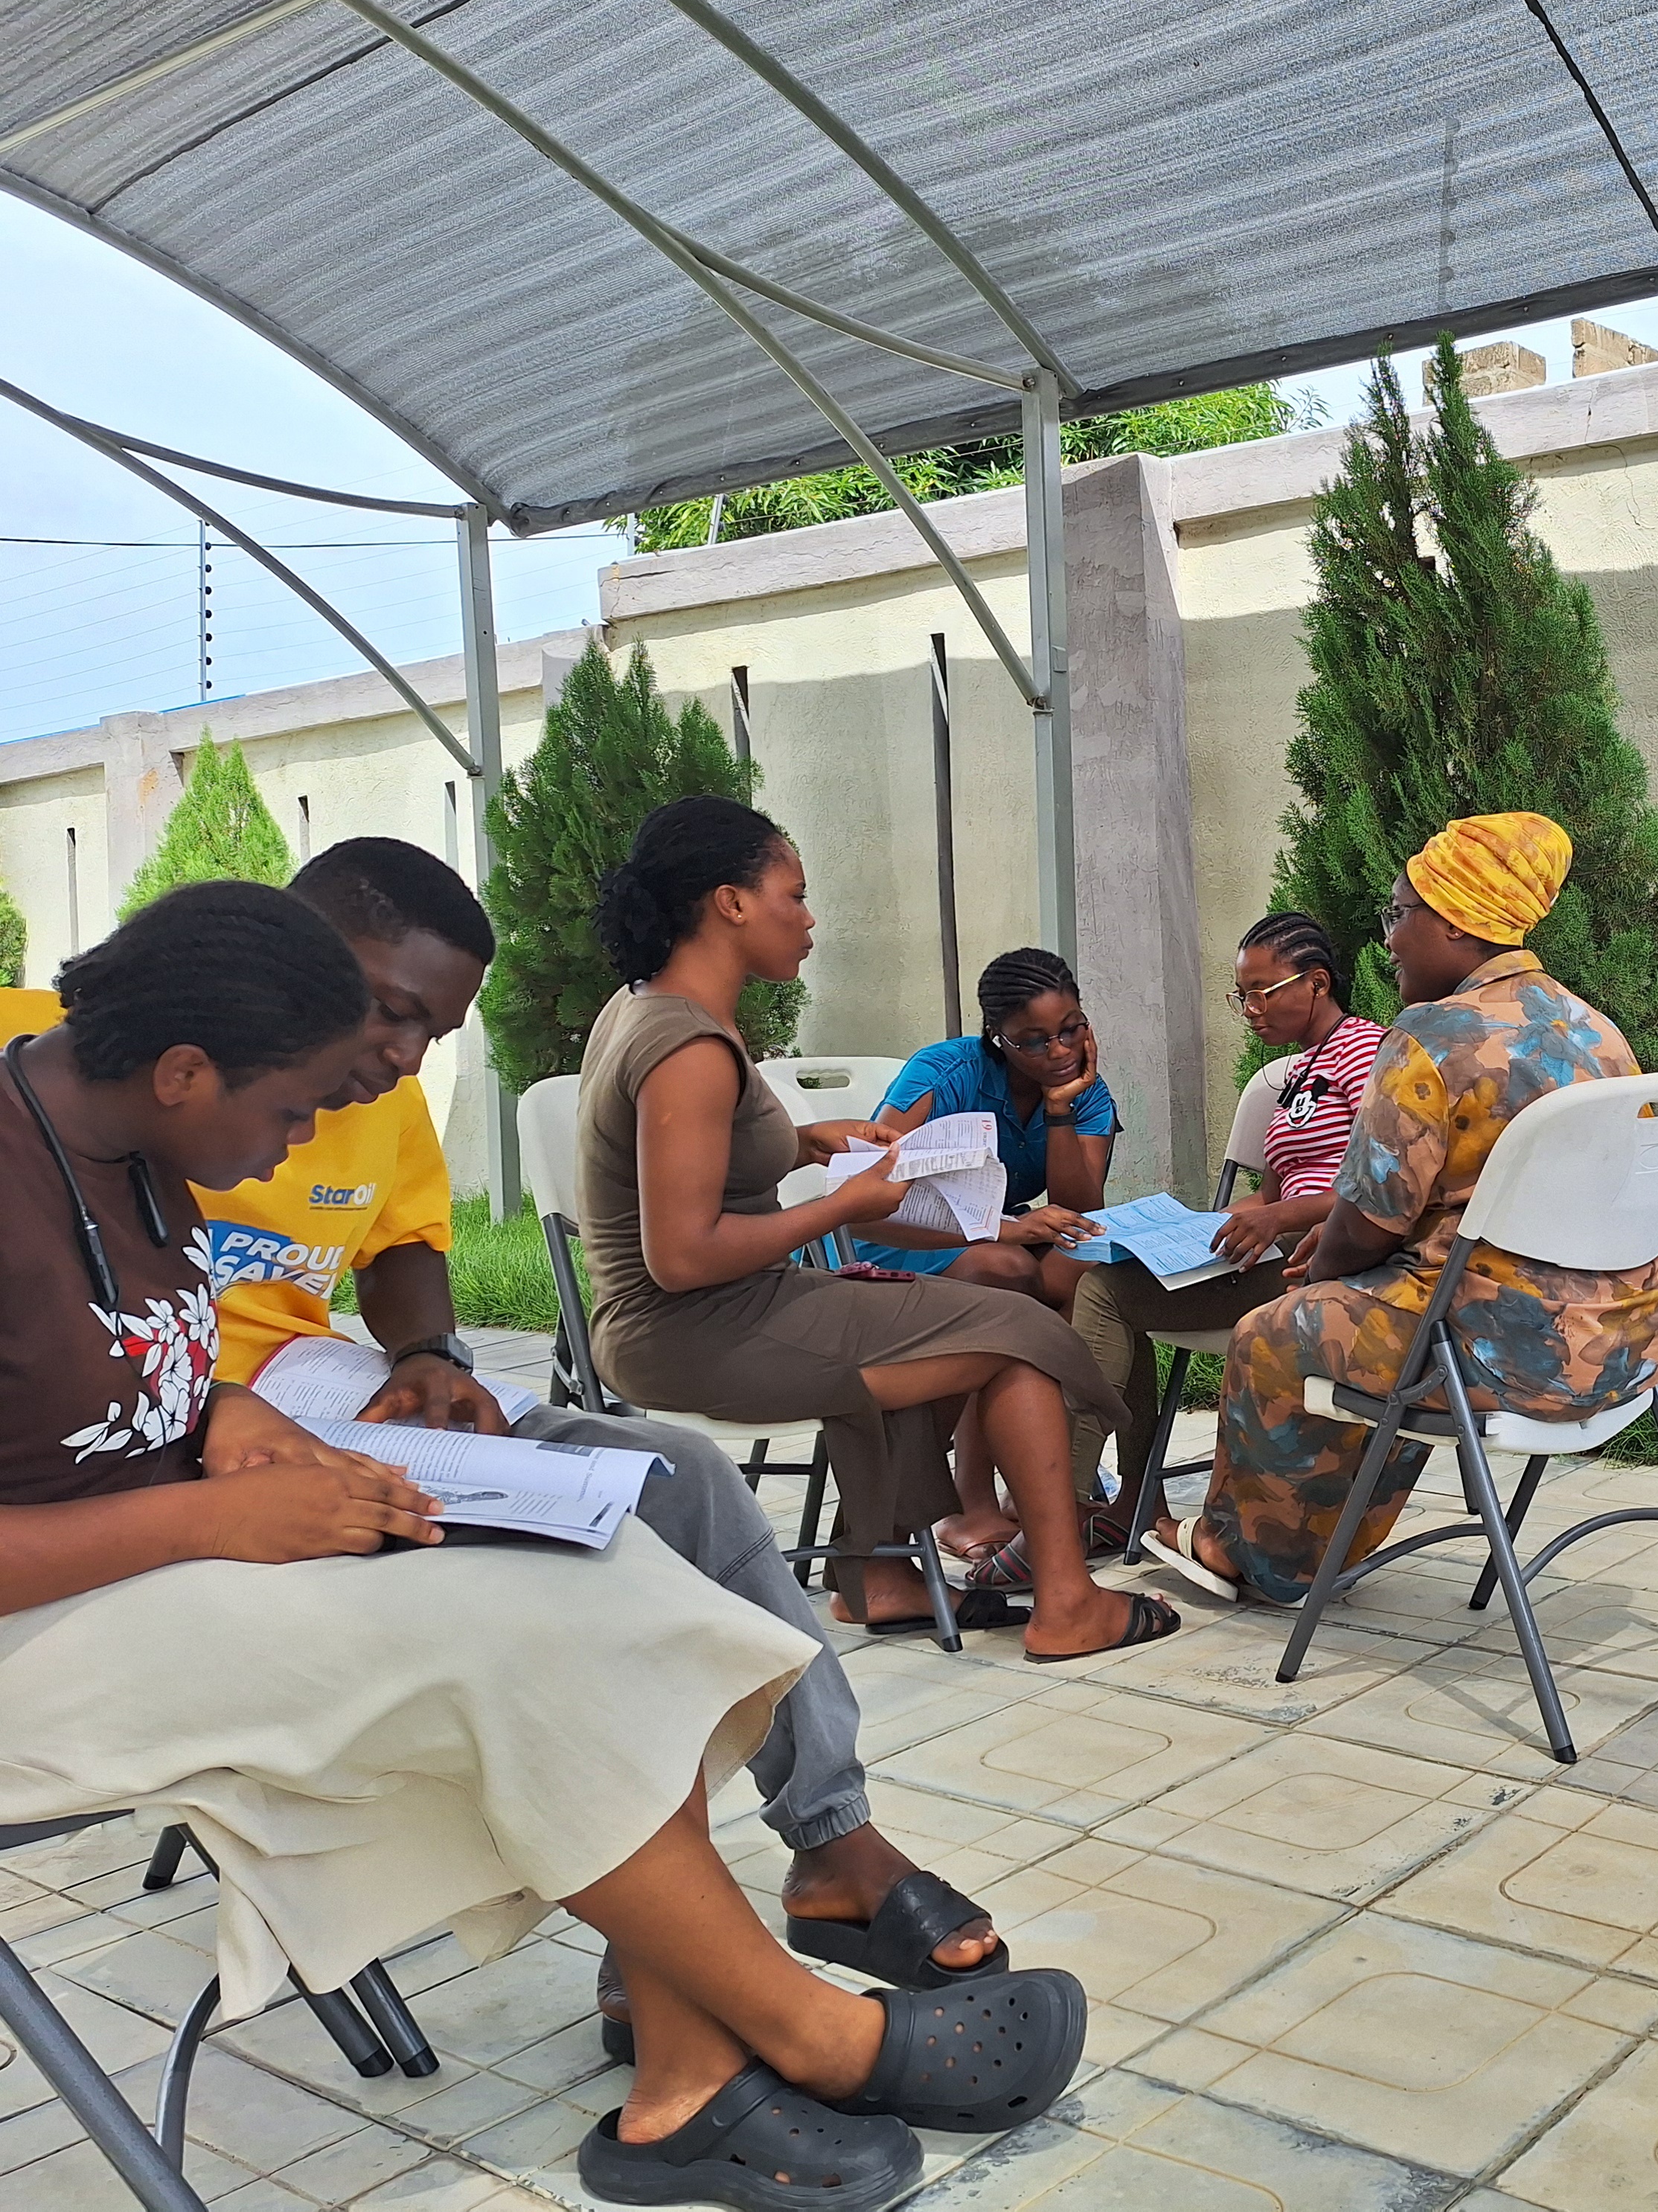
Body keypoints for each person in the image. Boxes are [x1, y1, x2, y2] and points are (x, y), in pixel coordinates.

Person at [0, 883, 1089, 2211]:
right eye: (295, 1108)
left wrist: (228, 1415)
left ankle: (684, 2074)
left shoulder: (132, 1148)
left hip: (155, 1556)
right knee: (510, 1643)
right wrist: (205, 1513)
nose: (317, 1130)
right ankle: (819, 2036)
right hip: (44, 1636)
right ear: (182, 1071)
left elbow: (117, 1375)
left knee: (611, 1565)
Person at [196, 837, 1002, 2027]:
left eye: (432, 1033)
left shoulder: (379, 1093)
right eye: (389, 1014)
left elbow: (406, 1245)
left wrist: (424, 1358)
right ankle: (674, 1943)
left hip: (316, 1380)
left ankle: (831, 1842)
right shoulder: (107, 1047)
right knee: (582, 1586)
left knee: (668, 1481)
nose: (406, 1054)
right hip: (167, 1437)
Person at [576, 794, 1174, 1661]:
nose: (809, 918)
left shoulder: (643, 1009)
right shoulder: (691, 1049)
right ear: (730, 902)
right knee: (1013, 1331)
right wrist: (841, 1205)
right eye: (794, 894)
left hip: (702, 1318)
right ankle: (1066, 1602)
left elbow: (681, 1170)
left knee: (914, 1309)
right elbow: (682, 1255)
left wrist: (802, 1142)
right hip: (693, 1327)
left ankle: (878, 1578)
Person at [1145, 814, 1658, 1602]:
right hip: (1625, 1346)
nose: (1388, 940)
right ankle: (1323, 1547)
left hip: (1504, 1356)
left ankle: (1247, 1551)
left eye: (1400, 914)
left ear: (1458, 921)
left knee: (1283, 1329)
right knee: (1386, 1316)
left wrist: (1312, 1281)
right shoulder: (1593, 1028)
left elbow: (1369, 1222)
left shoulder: (1432, 1035)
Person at [1063, 912, 1387, 1544]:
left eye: (1262, 993)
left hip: (1330, 1258)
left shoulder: (1366, 1053)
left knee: (1103, 1297)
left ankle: (1073, 1505)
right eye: (1242, 996)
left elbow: (1383, 1184)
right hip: (1282, 1243)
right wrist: (1187, 1225)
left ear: (1316, 982)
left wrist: (1277, 1216)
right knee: (1112, 1273)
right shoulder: (1297, 1070)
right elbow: (1270, 1193)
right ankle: (1129, 1495)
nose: (1249, 1011)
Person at [857, 950, 1119, 1572]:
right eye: (1034, 1041)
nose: (1059, 1050)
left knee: (1085, 1274)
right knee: (1003, 1276)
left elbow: (1078, 1209)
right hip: (904, 1239)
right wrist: (1009, 1228)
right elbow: (868, 1197)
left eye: (1072, 1028)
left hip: (1002, 1241)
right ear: (996, 1038)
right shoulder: (941, 1074)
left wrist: (1060, 1108)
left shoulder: (1086, 1091)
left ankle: (1061, 1478)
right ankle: (968, 1499)